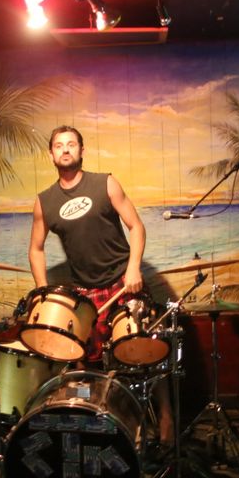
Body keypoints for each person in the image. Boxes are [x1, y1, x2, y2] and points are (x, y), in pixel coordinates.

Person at [28, 125, 173, 446]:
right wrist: (43, 292)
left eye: (71, 144)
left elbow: (136, 227)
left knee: (147, 348)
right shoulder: (44, 202)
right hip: (85, 292)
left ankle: (166, 415)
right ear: (51, 155)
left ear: (82, 151)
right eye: (59, 145)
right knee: (86, 362)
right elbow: (35, 249)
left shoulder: (105, 183)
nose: (65, 149)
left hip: (124, 281)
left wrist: (133, 268)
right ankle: (103, 421)